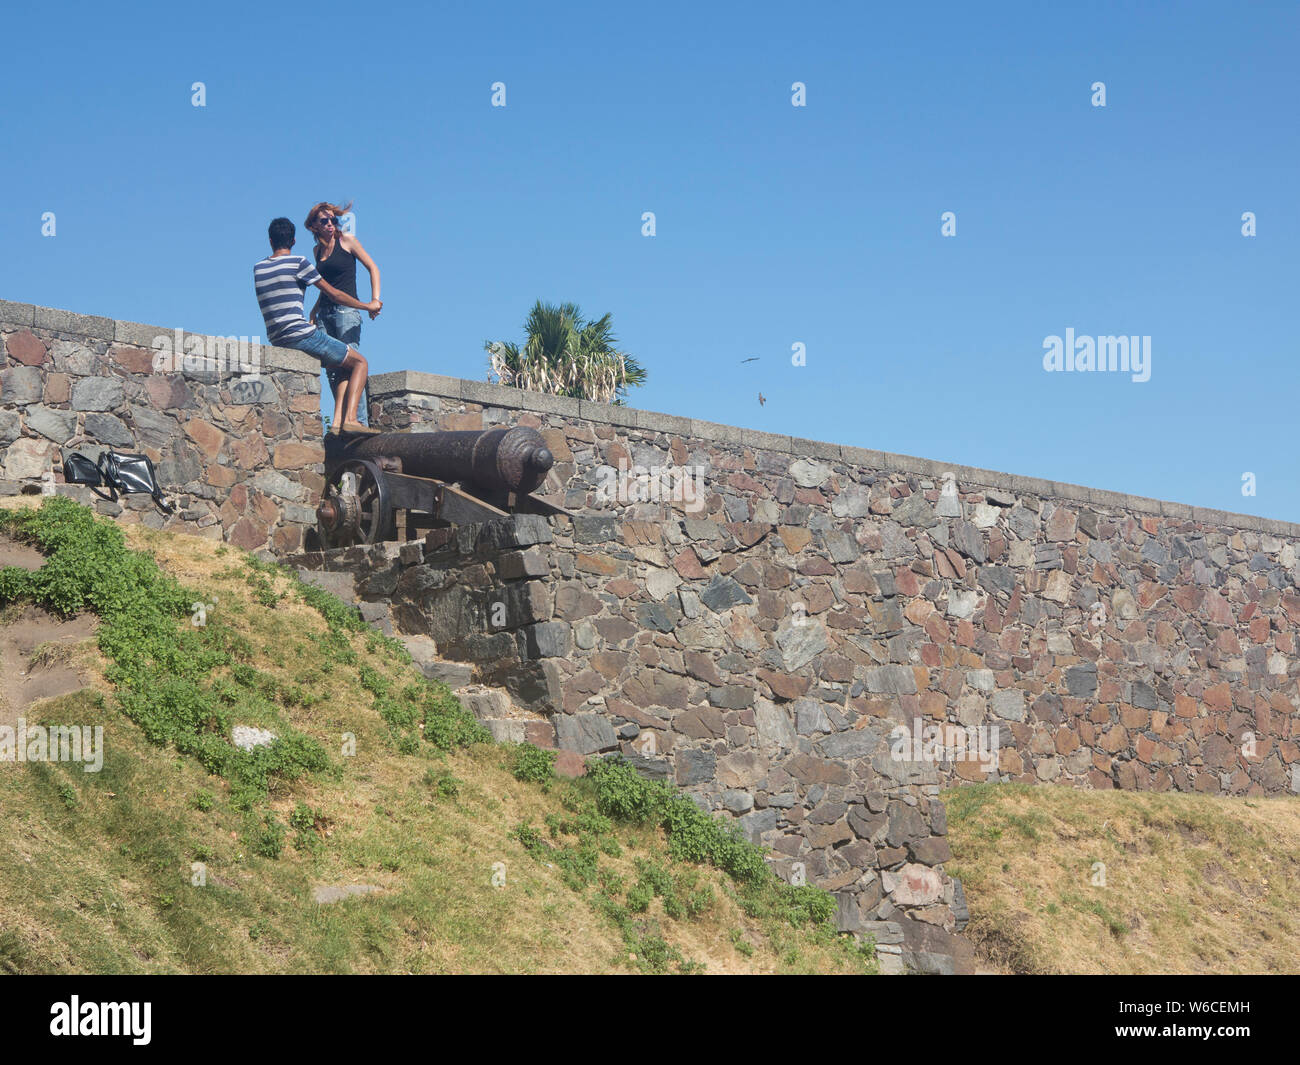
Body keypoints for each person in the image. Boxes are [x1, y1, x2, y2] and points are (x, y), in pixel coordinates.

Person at [253, 217, 377, 433]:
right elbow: (335, 294)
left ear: (270, 241)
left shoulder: (258, 268)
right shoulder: (299, 262)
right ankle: (352, 420)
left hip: (277, 338)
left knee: (336, 365)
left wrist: (312, 311)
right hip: (300, 336)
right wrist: (367, 306)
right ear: (292, 240)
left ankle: (337, 424)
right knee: (360, 363)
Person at [305, 201, 382, 427]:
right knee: (332, 368)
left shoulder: (346, 240)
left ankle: (356, 420)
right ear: (314, 226)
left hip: (347, 312)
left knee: (351, 362)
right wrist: (314, 311)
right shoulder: (317, 251)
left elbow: (373, 267)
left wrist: (374, 300)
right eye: (324, 221)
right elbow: (327, 287)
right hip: (325, 314)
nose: (330, 225)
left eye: (333, 220)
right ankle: (340, 421)